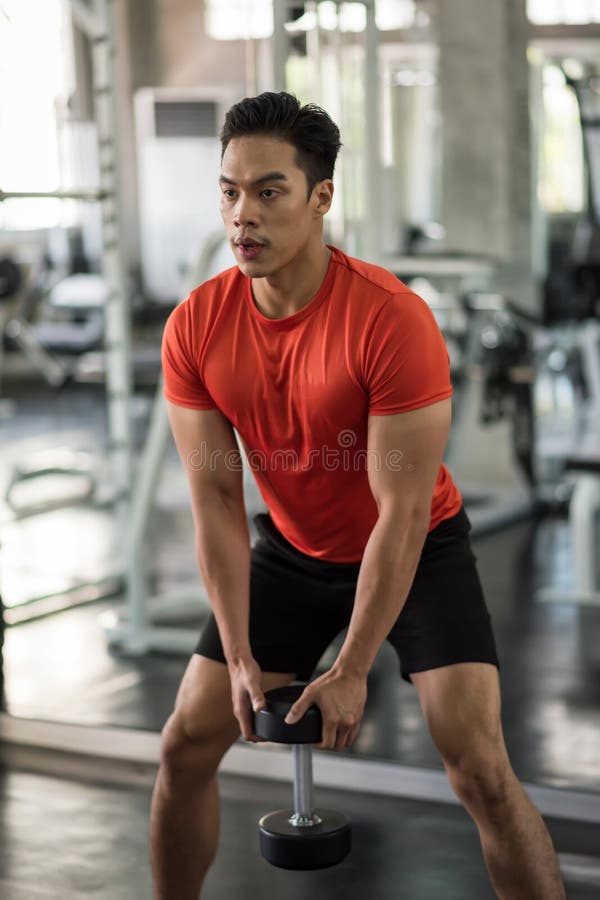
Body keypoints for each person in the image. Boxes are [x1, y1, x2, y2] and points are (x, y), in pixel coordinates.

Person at [151, 91, 565, 900]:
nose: (244, 216)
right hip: (293, 549)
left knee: (478, 766)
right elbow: (217, 505)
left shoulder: (389, 320)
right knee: (183, 744)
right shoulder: (196, 327)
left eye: (270, 191)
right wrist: (239, 656)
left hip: (416, 547)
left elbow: (403, 515)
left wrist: (351, 667)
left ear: (321, 197)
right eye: (230, 192)